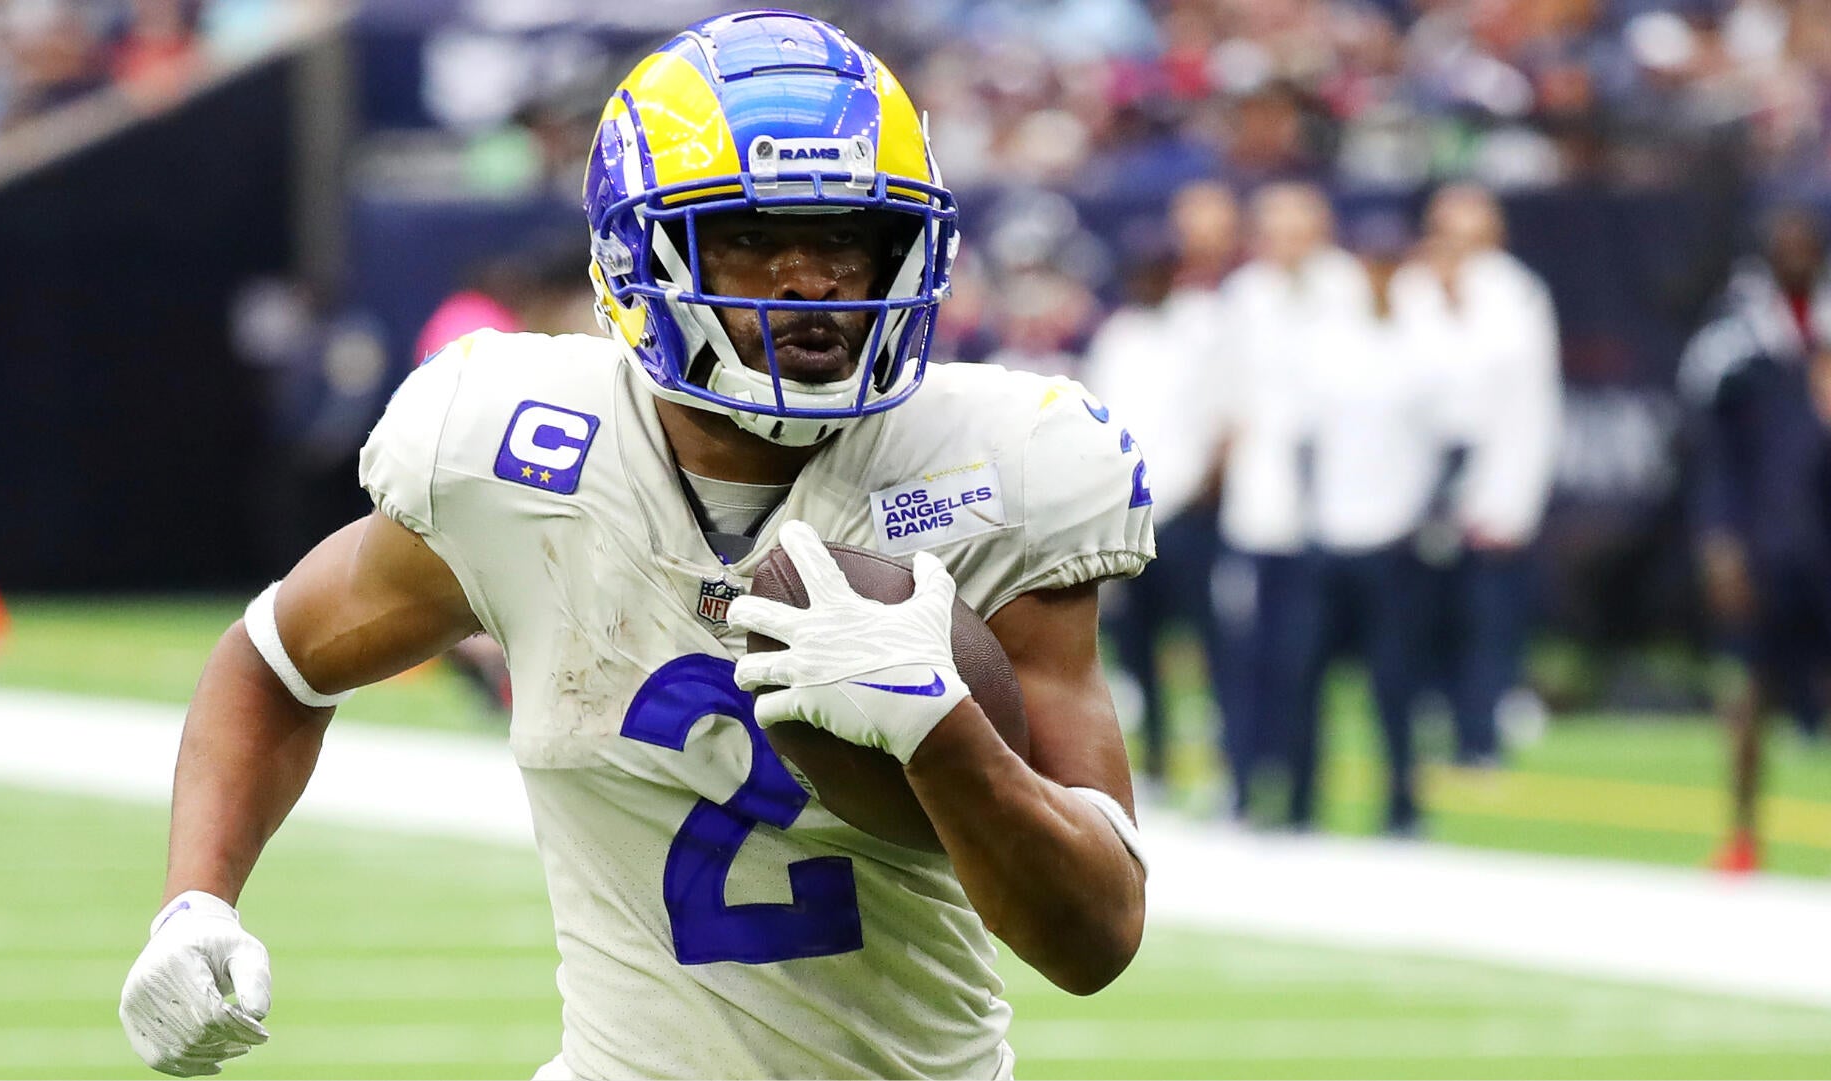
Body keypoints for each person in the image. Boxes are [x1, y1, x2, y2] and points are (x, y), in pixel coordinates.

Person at [118, 12, 1153, 1080]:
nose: (811, 280)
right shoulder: (513, 450)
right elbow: (273, 664)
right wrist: (195, 903)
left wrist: (943, 735)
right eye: (750, 237)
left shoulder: (996, 468)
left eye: (849, 236)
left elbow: (1098, 935)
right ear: (636, 252)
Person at [1679, 204, 1831, 873]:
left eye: (1806, 241)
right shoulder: (1735, 339)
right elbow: (1710, 453)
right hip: (1768, 541)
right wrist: (1719, 541)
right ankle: (1742, 834)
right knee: (1749, 692)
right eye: (1784, 241)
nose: (1795, 251)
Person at [1393, 184, 1562, 769]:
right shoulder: (1408, 289)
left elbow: (1532, 404)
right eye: (1448, 233)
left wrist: (1515, 501)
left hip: (1492, 472)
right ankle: (1422, 735)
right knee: (1419, 618)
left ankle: (1481, 739)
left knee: (1486, 618)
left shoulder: (1518, 294)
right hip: (1418, 475)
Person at [1209, 182, 1364, 821]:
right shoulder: (1246, 295)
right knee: (1244, 656)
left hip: (1330, 513)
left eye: (1298, 229)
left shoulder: (1348, 289)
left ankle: (1302, 798)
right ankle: (1243, 786)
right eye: (1275, 231)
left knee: (1308, 662)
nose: (1287, 243)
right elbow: (1229, 397)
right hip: (1258, 510)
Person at [1083, 182, 1238, 796]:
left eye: (1156, 268)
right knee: (1136, 647)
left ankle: (1228, 762)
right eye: (1138, 270)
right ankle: (1155, 764)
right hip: (1130, 514)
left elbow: (1225, 418)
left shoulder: (1204, 327)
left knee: (1210, 644)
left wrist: (1208, 490)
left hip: (1191, 513)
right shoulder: (1117, 335)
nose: (1146, 279)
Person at [1289, 212, 1442, 835]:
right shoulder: (1328, 342)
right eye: (1371, 262)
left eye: (1389, 262)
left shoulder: (1424, 345)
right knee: (1306, 678)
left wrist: (1421, 518)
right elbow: (1304, 439)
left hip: (1392, 537)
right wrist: (1311, 517)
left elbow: (1450, 440)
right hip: (1332, 533)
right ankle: (1301, 805)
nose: (1380, 274)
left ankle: (1401, 808)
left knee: (1396, 682)